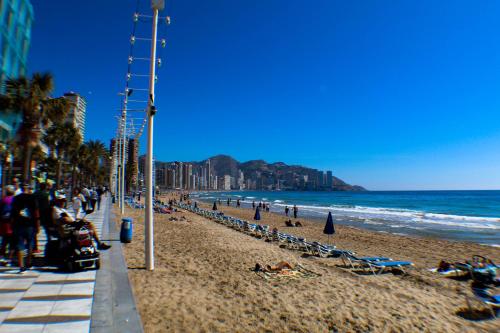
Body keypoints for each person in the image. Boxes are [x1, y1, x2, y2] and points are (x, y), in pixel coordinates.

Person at [11, 184, 39, 273]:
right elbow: (36, 212)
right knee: (30, 243)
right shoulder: (33, 198)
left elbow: (13, 212)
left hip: (18, 224)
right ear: (29, 189)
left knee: (20, 244)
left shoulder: (16, 198)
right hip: (30, 224)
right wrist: (38, 225)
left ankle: (21, 266)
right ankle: (29, 262)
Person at [0, 186, 16, 264]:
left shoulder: (3, 200)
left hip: (4, 223)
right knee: (12, 241)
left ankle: (2, 256)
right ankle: (10, 257)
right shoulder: (15, 200)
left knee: (4, 241)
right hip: (12, 223)